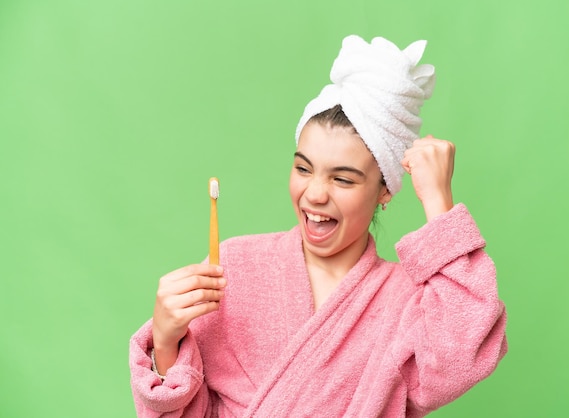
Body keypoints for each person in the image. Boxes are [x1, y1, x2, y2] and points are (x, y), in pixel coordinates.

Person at [129, 35, 507, 417]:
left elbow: (463, 357)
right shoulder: (235, 266)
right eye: (303, 169)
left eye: (343, 179)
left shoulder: (408, 300)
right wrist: (166, 340)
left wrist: (438, 203)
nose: (315, 194)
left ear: (385, 191)